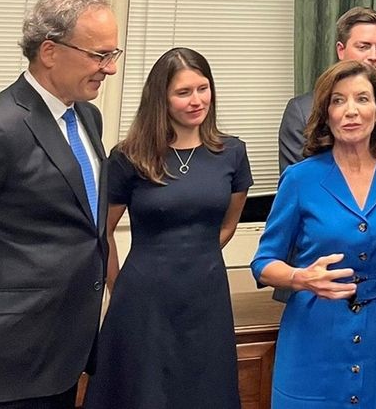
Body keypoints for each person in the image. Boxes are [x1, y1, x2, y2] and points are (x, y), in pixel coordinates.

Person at [0, 0, 118, 408]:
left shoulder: (87, 116)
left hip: (62, 355)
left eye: (113, 54)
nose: (109, 69)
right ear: (50, 51)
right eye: (99, 56)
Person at [251, 60, 376, 409]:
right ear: (326, 114)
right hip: (314, 336)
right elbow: (263, 262)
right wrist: (300, 278)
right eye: (338, 101)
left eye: (362, 99)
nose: (351, 111)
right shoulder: (300, 179)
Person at [83, 48, 252, 408]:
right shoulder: (129, 156)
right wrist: (118, 286)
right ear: (161, 98)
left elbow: (228, 224)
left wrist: (194, 256)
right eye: (183, 93)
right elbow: (104, 231)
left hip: (207, 298)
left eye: (203, 88)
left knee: (204, 392)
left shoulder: (232, 152)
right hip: (143, 300)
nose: (197, 101)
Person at [278, 6, 376, 176]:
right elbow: (297, 184)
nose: (373, 56)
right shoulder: (301, 111)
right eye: (363, 47)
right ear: (341, 50)